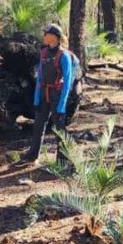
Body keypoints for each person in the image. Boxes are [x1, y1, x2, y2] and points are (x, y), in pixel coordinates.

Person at [16, 24, 76, 167]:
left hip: (57, 95)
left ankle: (63, 161)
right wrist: (37, 98)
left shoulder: (64, 55)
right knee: (38, 126)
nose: (43, 36)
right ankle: (32, 156)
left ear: (54, 37)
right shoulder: (44, 52)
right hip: (44, 94)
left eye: (46, 34)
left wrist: (62, 104)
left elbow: (67, 81)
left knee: (59, 129)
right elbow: (40, 77)